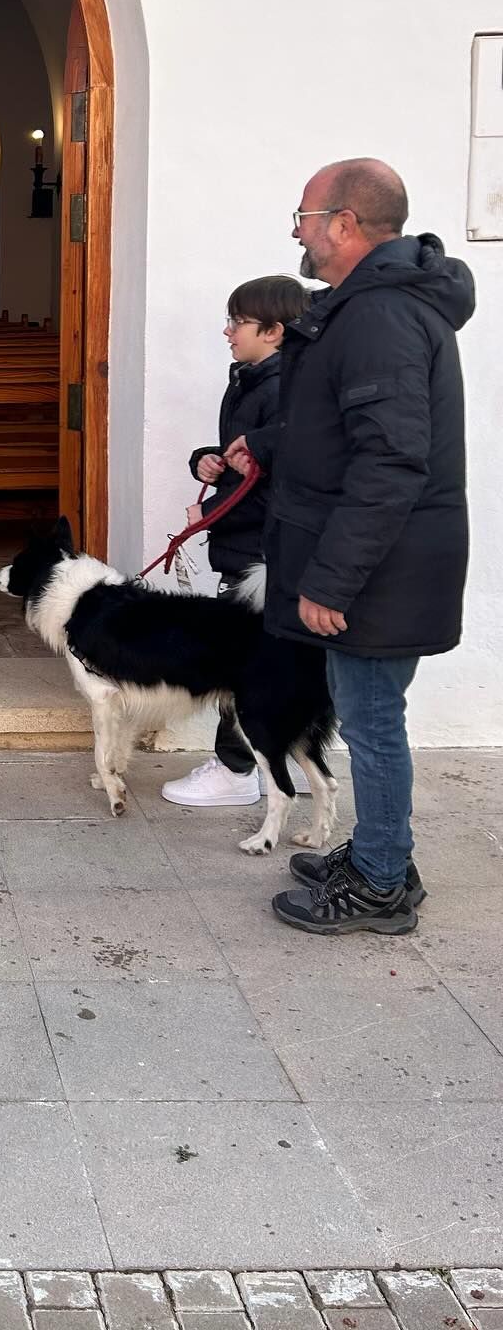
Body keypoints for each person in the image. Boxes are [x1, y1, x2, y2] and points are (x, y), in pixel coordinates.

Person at [222, 160, 472, 934]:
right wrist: (261, 443)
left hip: (376, 573)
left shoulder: (381, 318)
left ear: (344, 223)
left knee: (371, 724)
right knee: (369, 718)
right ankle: (382, 854)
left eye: (303, 215)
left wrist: (330, 582)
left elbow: (391, 461)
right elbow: (331, 428)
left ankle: (381, 883)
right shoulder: (364, 309)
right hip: (377, 565)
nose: (296, 229)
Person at [162, 273, 307, 809]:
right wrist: (207, 457)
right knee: (262, 659)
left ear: (272, 330)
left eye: (237, 322)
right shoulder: (249, 379)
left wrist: (209, 511)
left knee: (243, 662)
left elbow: (269, 486)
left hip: (260, 551)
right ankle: (266, 758)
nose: (227, 332)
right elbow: (243, 461)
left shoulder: (282, 388)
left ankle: (234, 767)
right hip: (246, 545)